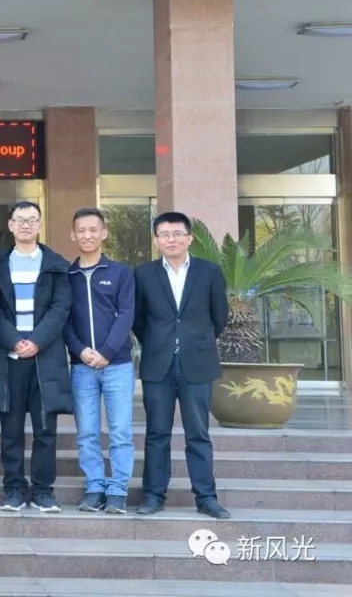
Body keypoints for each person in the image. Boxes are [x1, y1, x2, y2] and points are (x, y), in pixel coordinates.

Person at [133, 211, 231, 520]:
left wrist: (194, 341)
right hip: (158, 363)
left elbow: (219, 316)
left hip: (197, 363)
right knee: (156, 433)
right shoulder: (143, 274)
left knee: (198, 433)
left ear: (189, 238)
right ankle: (153, 495)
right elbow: (138, 320)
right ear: (156, 240)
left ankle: (206, 497)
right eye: (164, 234)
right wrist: (160, 343)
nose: (171, 239)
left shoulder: (209, 271)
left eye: (177, 233)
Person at [0, 201, 73, 513]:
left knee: (45, 430)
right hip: (8, 358)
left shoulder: (57, 264)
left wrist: (36, 341)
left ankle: (43, 491)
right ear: (10, 225)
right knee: (10, 430)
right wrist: (14, 340)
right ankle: (13, 489)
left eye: (32, 219)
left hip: (44, 358)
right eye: (20, 220)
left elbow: (61, 308)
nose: (26, 225)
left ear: (40, 224)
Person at [63, 207, 135, 515]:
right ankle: (94, 486)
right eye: (81, 230)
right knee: (87, 432)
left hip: (117, 365)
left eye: (93, 229)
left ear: (103, 233)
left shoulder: (120, 273)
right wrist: (81, 351)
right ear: (73, 235)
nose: (88, 235)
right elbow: (63, 320)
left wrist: (106, 351)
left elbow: (126, 314)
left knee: (120, 432)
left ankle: (117, 489)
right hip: (82, 367)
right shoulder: (67, 276)